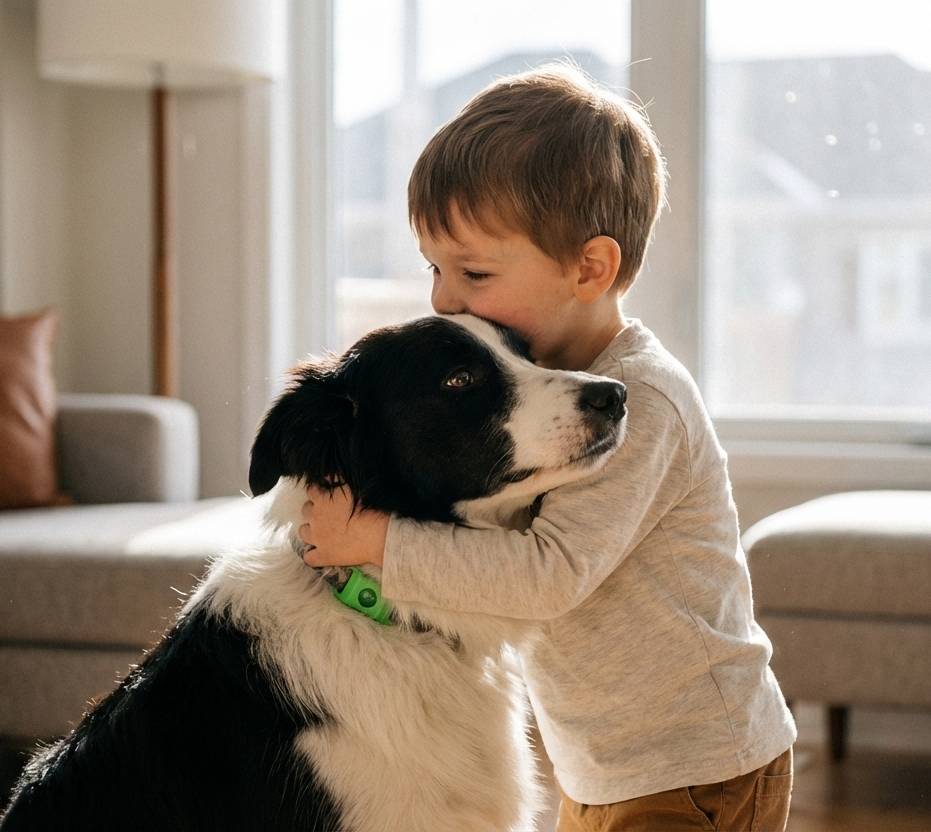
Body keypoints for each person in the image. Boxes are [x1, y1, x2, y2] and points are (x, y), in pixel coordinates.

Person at [299, 63, 796, 831]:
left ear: (589, 268)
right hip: (599, 762)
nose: (442, 298)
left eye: (473, 271)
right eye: (435, 267)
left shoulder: (642, 399)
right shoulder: (551, 388)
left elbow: (548, 575)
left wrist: (377, 540)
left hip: (697, 762)